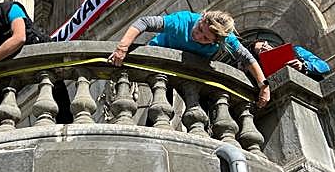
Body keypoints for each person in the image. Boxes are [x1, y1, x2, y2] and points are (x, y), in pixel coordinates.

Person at [108, 10, 271, 108]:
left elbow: (247, 58)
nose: (197, 35)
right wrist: (122, 48)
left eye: (205, 38)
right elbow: (144, 22)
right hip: (162, 58)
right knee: (163, 101)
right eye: (200, 28)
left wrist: (264, 86)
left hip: (189, 67)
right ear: (201, 19)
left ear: (216, 42)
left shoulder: (227, 41)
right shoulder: (182, 20)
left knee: (198, 104)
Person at [250, 40, 331, 81]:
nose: (266, 48)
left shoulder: (296, 51)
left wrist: (304, 66)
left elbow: (325, 67)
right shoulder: (263, 73)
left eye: (264, 44)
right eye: (261, 50)